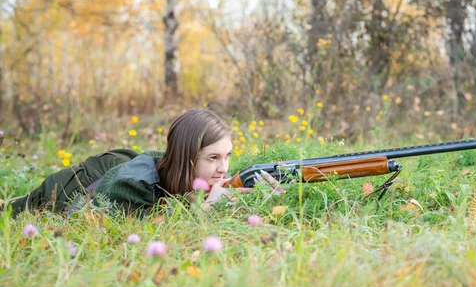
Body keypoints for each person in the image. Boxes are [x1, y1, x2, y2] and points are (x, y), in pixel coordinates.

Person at [8, 109, 279, 217]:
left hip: (116, 166)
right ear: (187, 158)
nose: (223, 168)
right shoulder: (133, 185)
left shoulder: (192, 173)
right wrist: (206, 210)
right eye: (213, 158)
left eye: (227, 156)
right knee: (13, 208)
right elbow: (149, 232)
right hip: (72, 189)